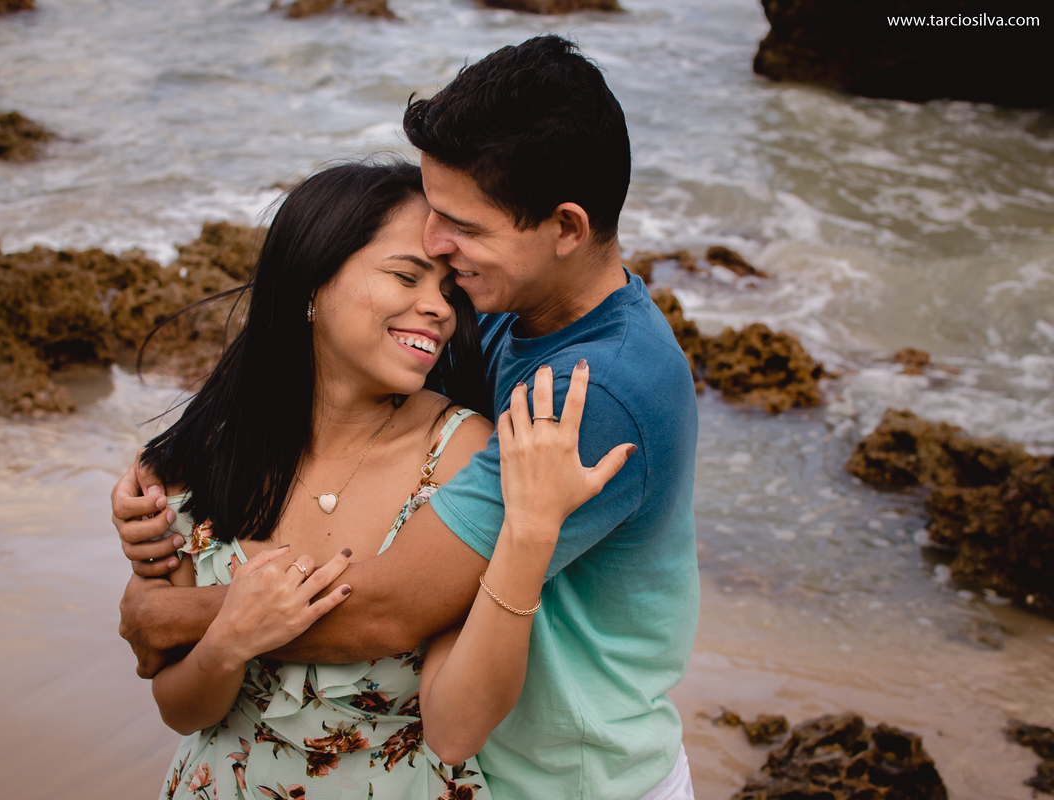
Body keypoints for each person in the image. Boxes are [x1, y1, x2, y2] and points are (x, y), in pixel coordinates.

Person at [115, 35, 700, 800]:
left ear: (565, 228)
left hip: (571, 777)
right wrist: (160, 481)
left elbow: (385, 614)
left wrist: (176, 616)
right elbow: (313, 354)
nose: (437, 244)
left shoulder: (598, 388)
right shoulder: (503, 307)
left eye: (464, 226)